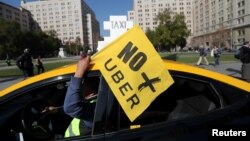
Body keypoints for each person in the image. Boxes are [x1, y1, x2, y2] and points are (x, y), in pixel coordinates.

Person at [63, 55, 98, 137]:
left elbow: (70, 108)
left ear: (91, 94)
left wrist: (79, 72)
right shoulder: (92, 102)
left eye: (83, 84)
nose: (80, 86)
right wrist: (57, 110)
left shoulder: (96, 109)